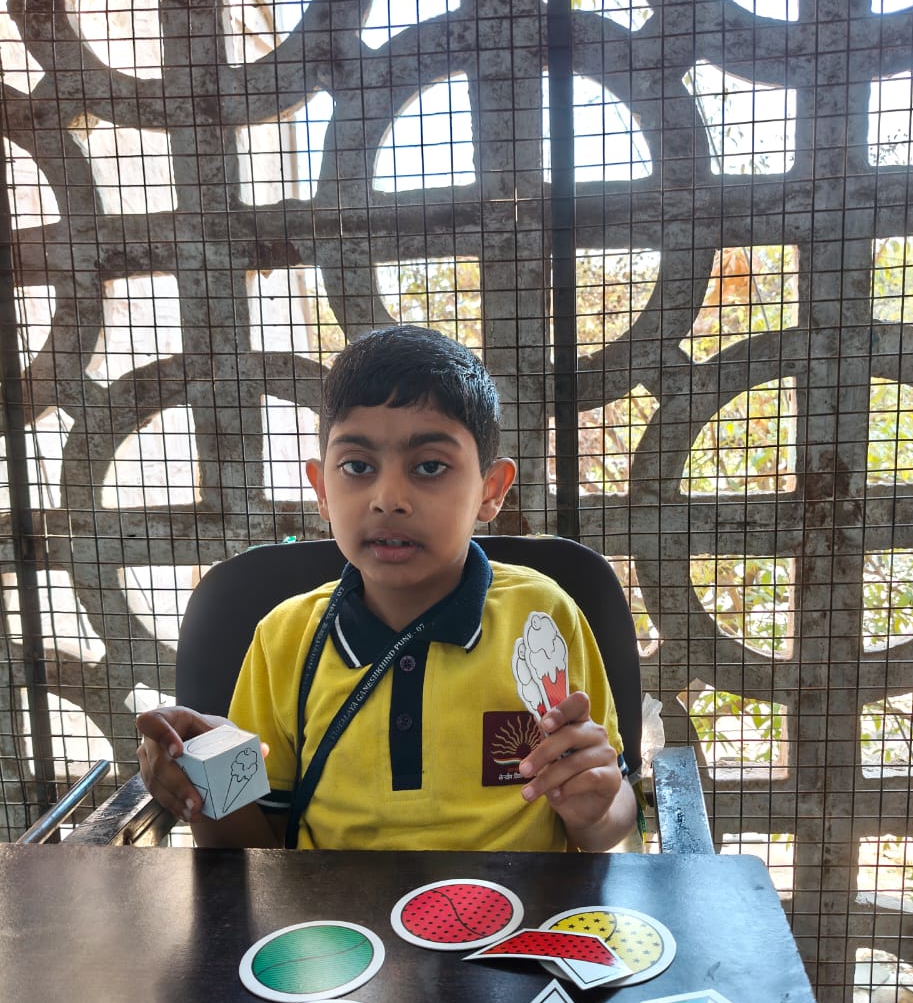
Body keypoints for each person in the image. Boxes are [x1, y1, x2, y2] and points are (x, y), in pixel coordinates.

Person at [137, 326, 638, 852]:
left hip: (520, 906)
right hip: (330, 908)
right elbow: (254, 852)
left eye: (430, 466)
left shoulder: (542, 618)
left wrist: (596, 811)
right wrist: (201, 778)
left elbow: (615, 808)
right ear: (322, 489)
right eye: (357, 466)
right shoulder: (284, 639)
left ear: (490, 490)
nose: (389, 498)